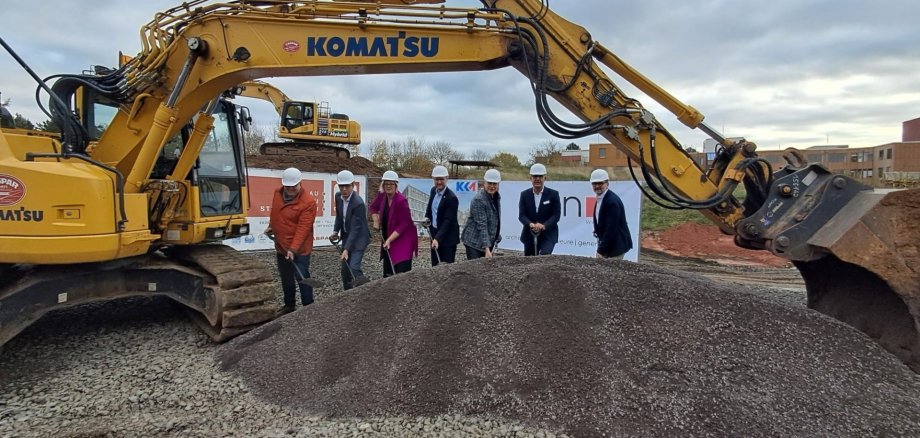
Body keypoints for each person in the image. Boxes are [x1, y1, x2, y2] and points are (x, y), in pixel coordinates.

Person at [265, 167, 317, 314]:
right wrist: (271, 226)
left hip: (299, 249)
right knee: (286, 277)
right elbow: (275, 212)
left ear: (300, 183)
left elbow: (303, 228)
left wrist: (293, 249)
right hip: (281, 246)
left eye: (293, 187)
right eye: (288, 187)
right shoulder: (278, 193)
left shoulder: (308, 202)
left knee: (302, 277)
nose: (290, 189)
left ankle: (309, 307)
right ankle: (289, 305)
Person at [370, 170, 418, 276]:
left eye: (391, 183)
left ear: (396, 185)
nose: (388, 186)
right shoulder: (382, 196)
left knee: (400, 272)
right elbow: (373, 207)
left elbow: (404, 224)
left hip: (403, 239)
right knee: (388, 271)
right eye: (386, 183)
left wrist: (389, 240)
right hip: (388, 237)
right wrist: (376, 220)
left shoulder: (401, 201)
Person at [331, 169, 370, 290]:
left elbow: (355, 229)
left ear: (353, 185)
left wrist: (346, 249)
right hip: (347, 236)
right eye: (341, 186)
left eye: (347, 186)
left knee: (353, 267)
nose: (344, 189)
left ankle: (367, 289)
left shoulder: (358, 203)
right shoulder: (338, 197)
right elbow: (339, 216)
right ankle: (347, 295)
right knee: (345, 270)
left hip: (359, 239)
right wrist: (335, 231)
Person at [517, 163, 561, 256]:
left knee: (544, 256)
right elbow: (522, 215)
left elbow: (556, 215)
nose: (537, 179)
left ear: (545, 178)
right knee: (529, 261)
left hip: (548, 234)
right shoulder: (524, 195)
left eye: (540, 176)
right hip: (529, 234)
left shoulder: (553, 194)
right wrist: (530, 224)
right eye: (535, 176)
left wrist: (544, 226)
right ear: (530, 178)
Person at [590, 169, 632, 259]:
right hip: (608, 244)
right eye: (594, 183)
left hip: (615, 247)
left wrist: (601, 250)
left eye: (600, 183)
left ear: (607, 183)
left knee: (610, 272)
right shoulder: (602, 197)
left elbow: (611, 228)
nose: (597, 186)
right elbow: (602, 218)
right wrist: (598, 229)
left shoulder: (611, 201)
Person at [462, 168, 502, 260]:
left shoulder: (496, 197)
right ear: (485, 183)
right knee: (476, 271)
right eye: (489, 183)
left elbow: (495, 219)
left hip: (486, 241)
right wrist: (487, 249)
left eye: (494, 184)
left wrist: (496, 235)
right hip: (474, 242)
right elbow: (482, 225)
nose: (492, 186)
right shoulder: (479, 200)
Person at [424, 165, 460, 266]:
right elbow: (430, 208)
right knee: (435, 265)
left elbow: (447, 221)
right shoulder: (433, 191)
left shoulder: (451, 198)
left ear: (447, 179)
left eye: (441, 179)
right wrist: (426, 218)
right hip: (435, 233)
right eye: (436, 179)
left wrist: (437, 239)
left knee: (446, 268)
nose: (439, 182)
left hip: (448, 238)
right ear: (433, 179)